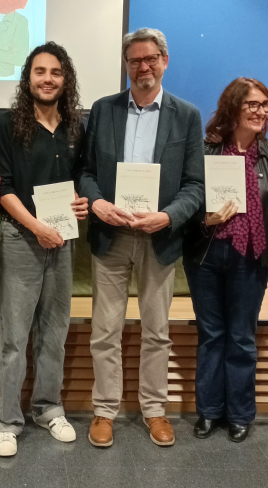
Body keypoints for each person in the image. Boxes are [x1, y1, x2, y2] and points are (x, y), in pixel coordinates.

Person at [77, 28, 205, 448]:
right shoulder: (103, 109)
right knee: (105, 329)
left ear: (165, 61)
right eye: (135, 61)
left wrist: (168, 216)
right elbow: (87, 173)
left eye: (150, 59)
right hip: (111, 235)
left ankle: (154, 410)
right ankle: (104, 410)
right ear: (126, 65)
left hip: (159, 238)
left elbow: (195, 185)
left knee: (157, 330)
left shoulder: (186, 115)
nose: (143, 67)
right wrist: (97, 205)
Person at [0, 42, 89, 457]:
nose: (47, 79)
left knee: (54, 333)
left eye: (56, 72)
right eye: (40, 71)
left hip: (62, 242)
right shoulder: (7, 125)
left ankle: (48, 408)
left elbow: (82, 176)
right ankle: (7, 421)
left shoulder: (75, 126)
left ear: (65, 79)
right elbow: (3, 188)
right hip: (20, 239)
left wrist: (83, 202)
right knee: (14, 338)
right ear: (27, 77)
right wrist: (36, 227)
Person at [182, 78, 268, 443]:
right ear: (233, 107)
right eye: (252, 104)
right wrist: (203, 219)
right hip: (207, 254)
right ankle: (209, 412)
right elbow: (185, 200)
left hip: (252, 256)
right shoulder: (205, 151)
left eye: (266, 105)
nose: (261, 112)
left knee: (242, 337)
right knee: (211, 334)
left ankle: (240, 414)